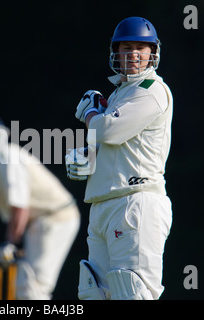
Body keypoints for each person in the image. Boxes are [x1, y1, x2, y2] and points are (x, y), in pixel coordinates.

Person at [66, 16, 173, 300]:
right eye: (126, 48)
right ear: (116, 53)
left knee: (132, 293)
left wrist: (89, 113)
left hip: (135, 204)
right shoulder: (118, 96)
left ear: (153, 53)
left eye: (141, 47)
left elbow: (108, 130)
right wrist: (86, 160)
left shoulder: (151, 90)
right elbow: (112, 147)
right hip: (103, 205)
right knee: (96, 294)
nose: (134, 54)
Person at [0, 114, 81, 300]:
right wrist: (8, 244)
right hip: (37, 224)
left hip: (56, 218)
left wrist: (9, 244)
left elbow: (20, 207)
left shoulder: (7, 156)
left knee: (34, 287)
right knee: (22, 286)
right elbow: (13, 216)